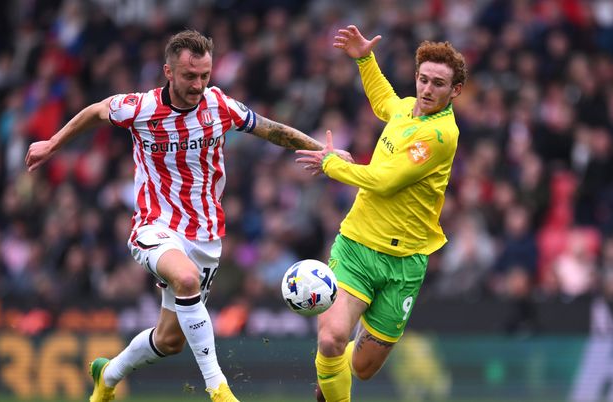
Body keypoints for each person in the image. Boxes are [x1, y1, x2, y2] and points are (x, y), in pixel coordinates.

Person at [25, 30, 323, 402]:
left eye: (204, 76)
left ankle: (108, 375)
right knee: (185, 278)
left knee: (169, 340)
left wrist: (324, 151)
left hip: (206, 234)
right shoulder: (139, 107)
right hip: (155, 225)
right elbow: (96, 111)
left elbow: (273, 131)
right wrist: (53, 143)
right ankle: (218, 387)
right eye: (189, 76)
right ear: (168, 71)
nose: (198, 85)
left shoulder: (220, 106)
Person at [296, 25, 467, 401]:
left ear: (455, 91)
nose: (426, 90)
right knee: (331, 340)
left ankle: (330, 386)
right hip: (358, 245)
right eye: (423, 79)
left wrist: (332, 165)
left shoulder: (440, 136)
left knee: (362, 368)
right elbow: (384, 102)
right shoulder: (408, 109)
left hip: (405, 263)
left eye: (438, 84)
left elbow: (384, 181)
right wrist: (364, 58)